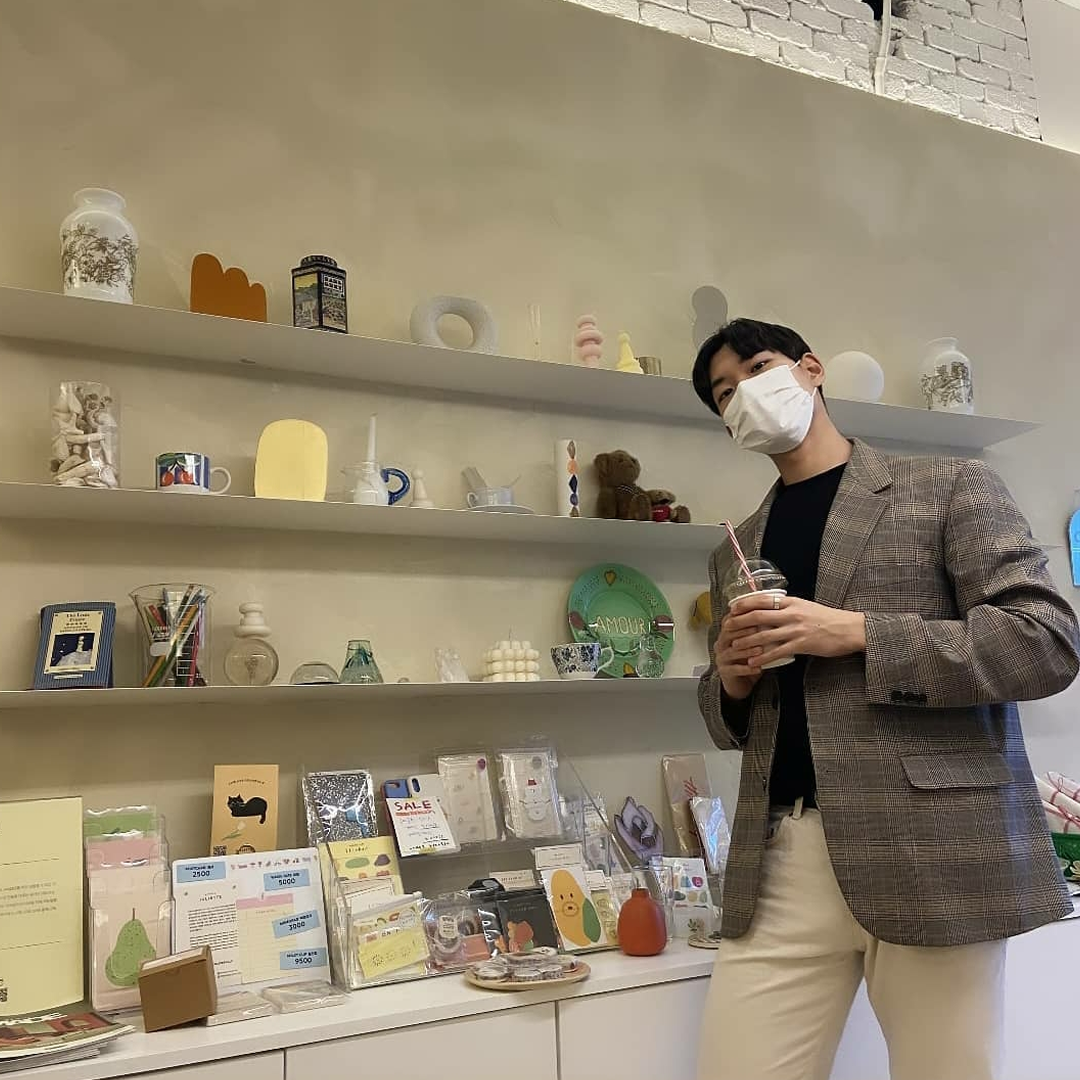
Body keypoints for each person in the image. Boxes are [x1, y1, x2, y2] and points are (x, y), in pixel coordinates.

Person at [692, 318, 1079, 1080]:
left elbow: (1047, 641)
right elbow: (735, 722)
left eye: (757, 369)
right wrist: (730, 681)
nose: (743, 396)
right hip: (782, 857)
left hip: (931, 845)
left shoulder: (949, 487)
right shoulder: (737, 546)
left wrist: (860, 633)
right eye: (724, 394)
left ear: (810, 369)